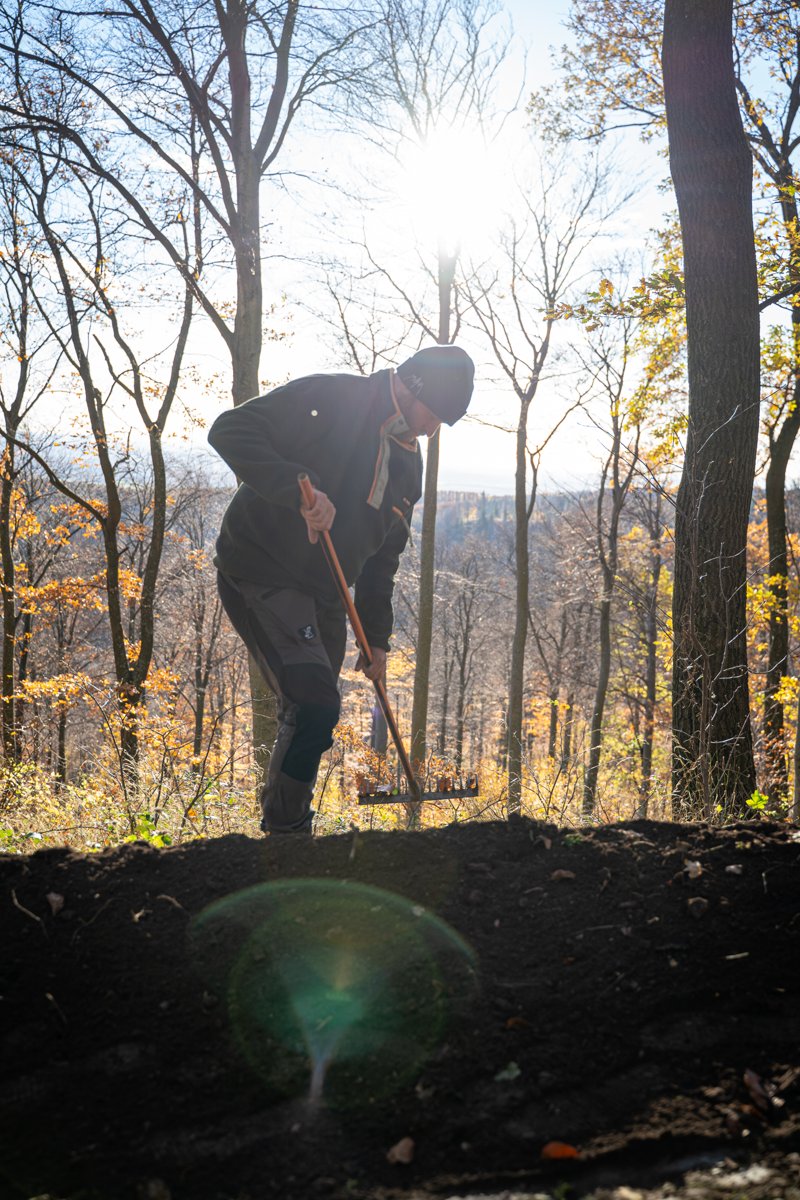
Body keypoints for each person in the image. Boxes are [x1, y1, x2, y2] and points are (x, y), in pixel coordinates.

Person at [208, 344, 475, 835]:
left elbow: (383, 561)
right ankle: (287, 836)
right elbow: (230, 429)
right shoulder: (333, 397)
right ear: (412, 386)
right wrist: (300, 489)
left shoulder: (409, 469)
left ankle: (288, 822)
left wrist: (376, 638)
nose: (432, 429)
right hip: (262, 568)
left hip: (326, 589)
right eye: (434, 414)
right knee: (313, 704)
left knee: (314, 714)